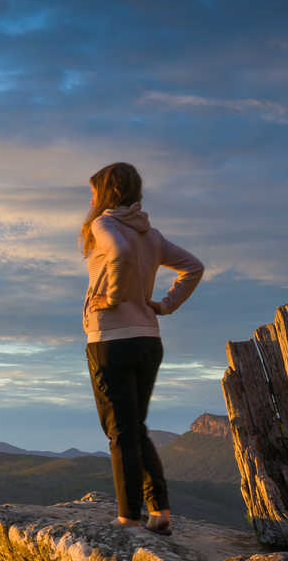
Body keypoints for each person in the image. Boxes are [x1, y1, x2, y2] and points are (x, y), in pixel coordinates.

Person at [80, 161, 202, 534]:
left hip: (110, 339)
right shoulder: (151, 235)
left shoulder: (104, 225)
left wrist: (112, 296)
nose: (91, 198)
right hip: (148, 339)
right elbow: (193, 267)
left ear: (105, 192)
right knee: (136, 427)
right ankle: (160, 511)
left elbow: (117, 252)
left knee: (120, 431)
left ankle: (128, 517)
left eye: (93, 191)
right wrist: (163, 306)